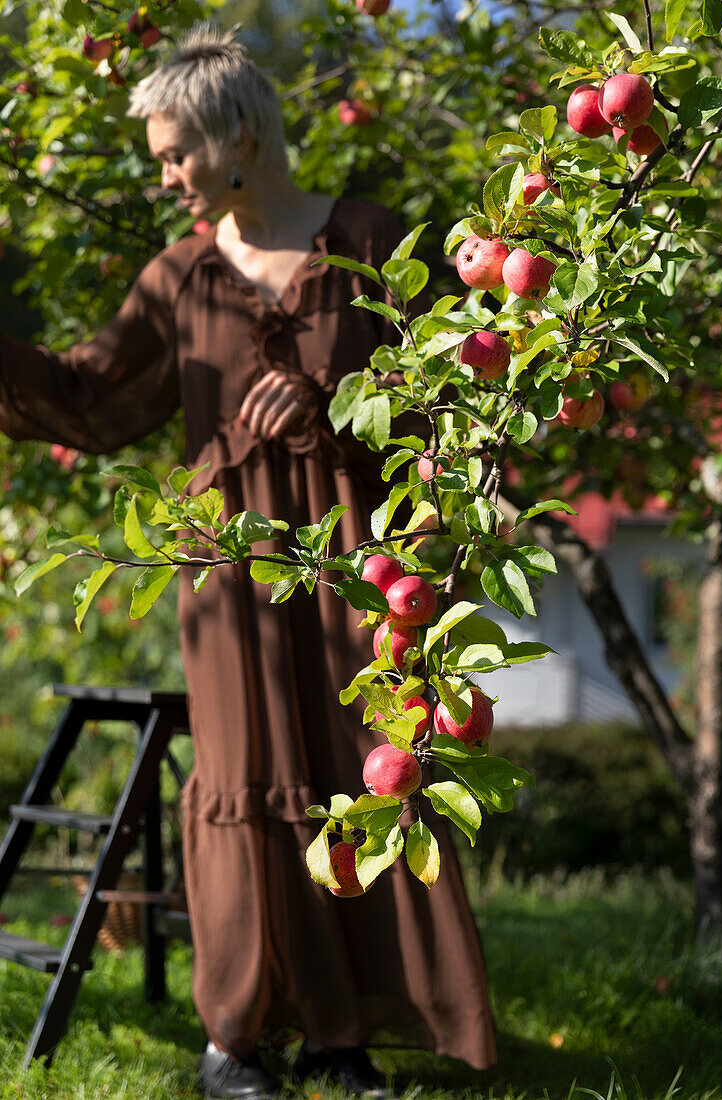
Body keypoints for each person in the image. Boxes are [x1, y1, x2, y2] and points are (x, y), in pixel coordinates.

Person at [0, 24, 496, 1099]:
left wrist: (335, 412)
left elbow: (459, 406)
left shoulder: (372, 244)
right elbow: (85, 394)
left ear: (235, 134)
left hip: (357, 565)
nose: (168, 176)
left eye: (175, 152)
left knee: (358, 770)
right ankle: (234, 1039)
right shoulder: (178, 277)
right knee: (244, 778)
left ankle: (340, 1029)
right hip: (227, 576)